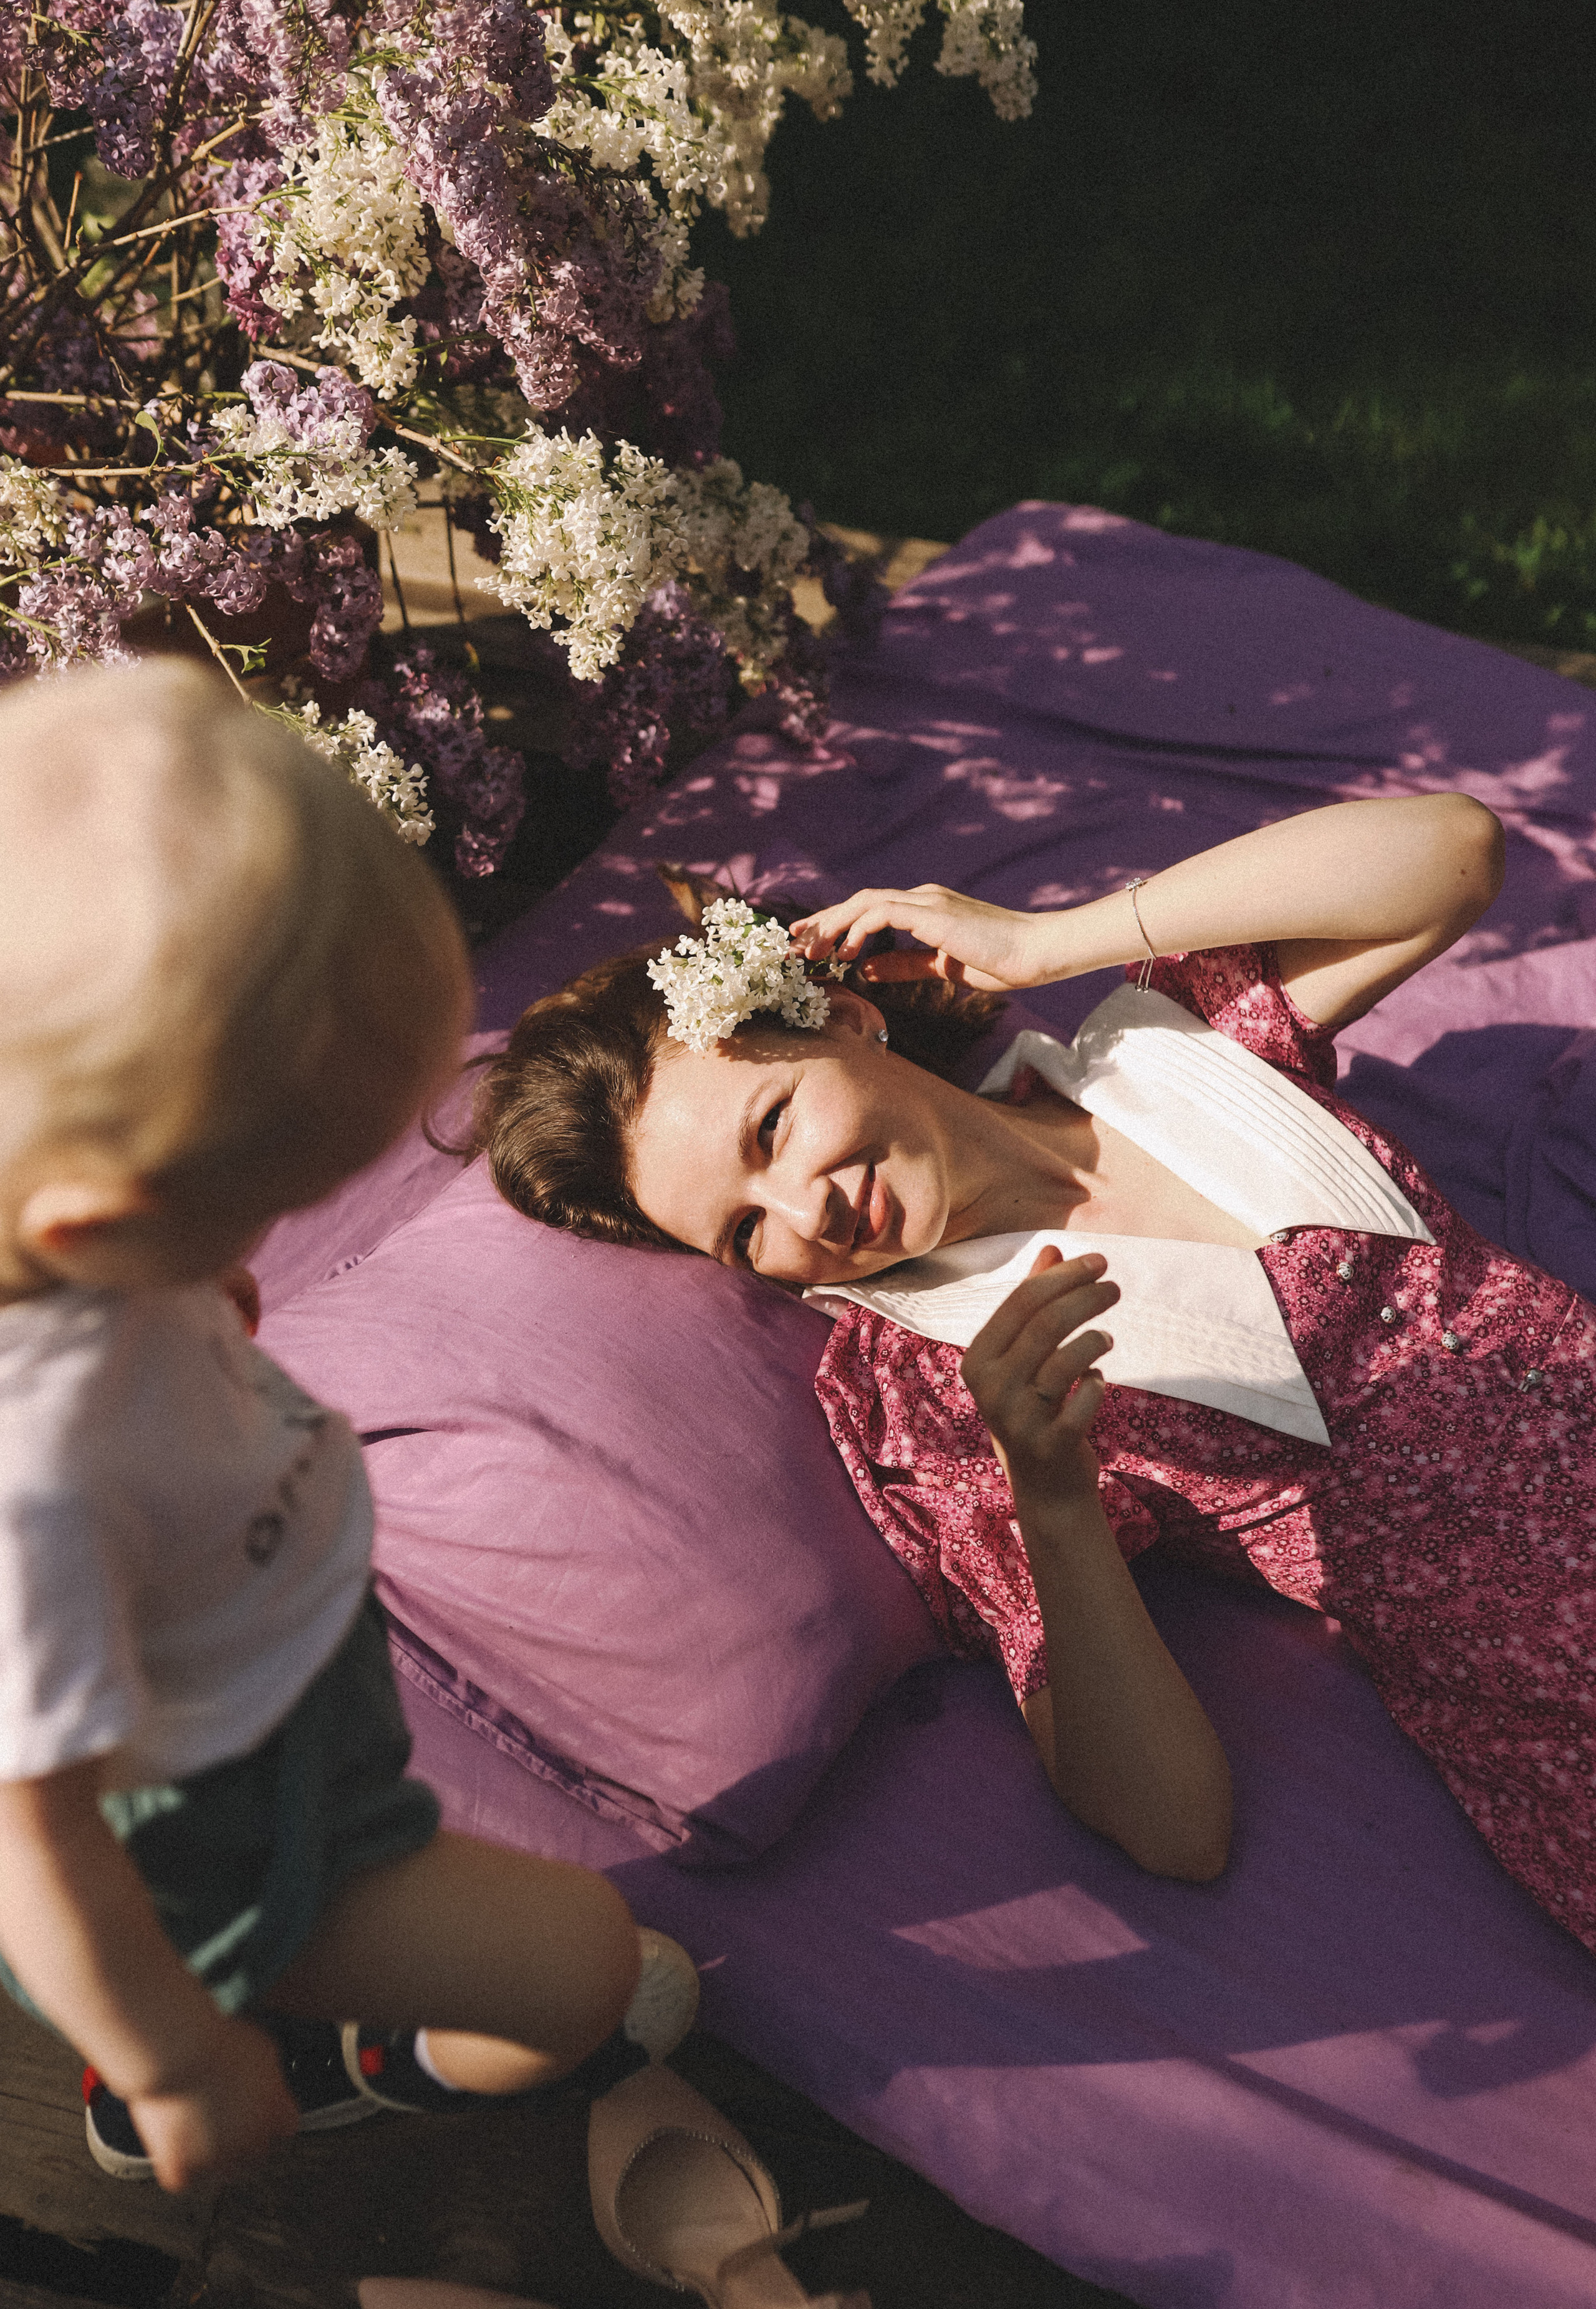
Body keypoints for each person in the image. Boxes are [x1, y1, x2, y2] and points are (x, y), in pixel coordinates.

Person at [464, 791, 1596, 1956]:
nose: (805, 1209)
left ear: (850, 1020)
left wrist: (1051, 939)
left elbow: (1454, 853)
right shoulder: (943, 1391)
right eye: (746, 1234)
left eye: (773, 1130)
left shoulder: (1171, 1049)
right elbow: (1172, 1827)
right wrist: (1053, 1501)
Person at [0, 660, 697, 2195]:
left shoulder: (53, 1220)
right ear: (106, 1219)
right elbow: (29, 1842)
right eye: (267, 1203)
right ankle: (325, 2051)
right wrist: (181, 2059)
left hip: (262, 1649)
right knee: (584, 1972)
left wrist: (190, 1300)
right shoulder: (29, 1491)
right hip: (209, 1825)